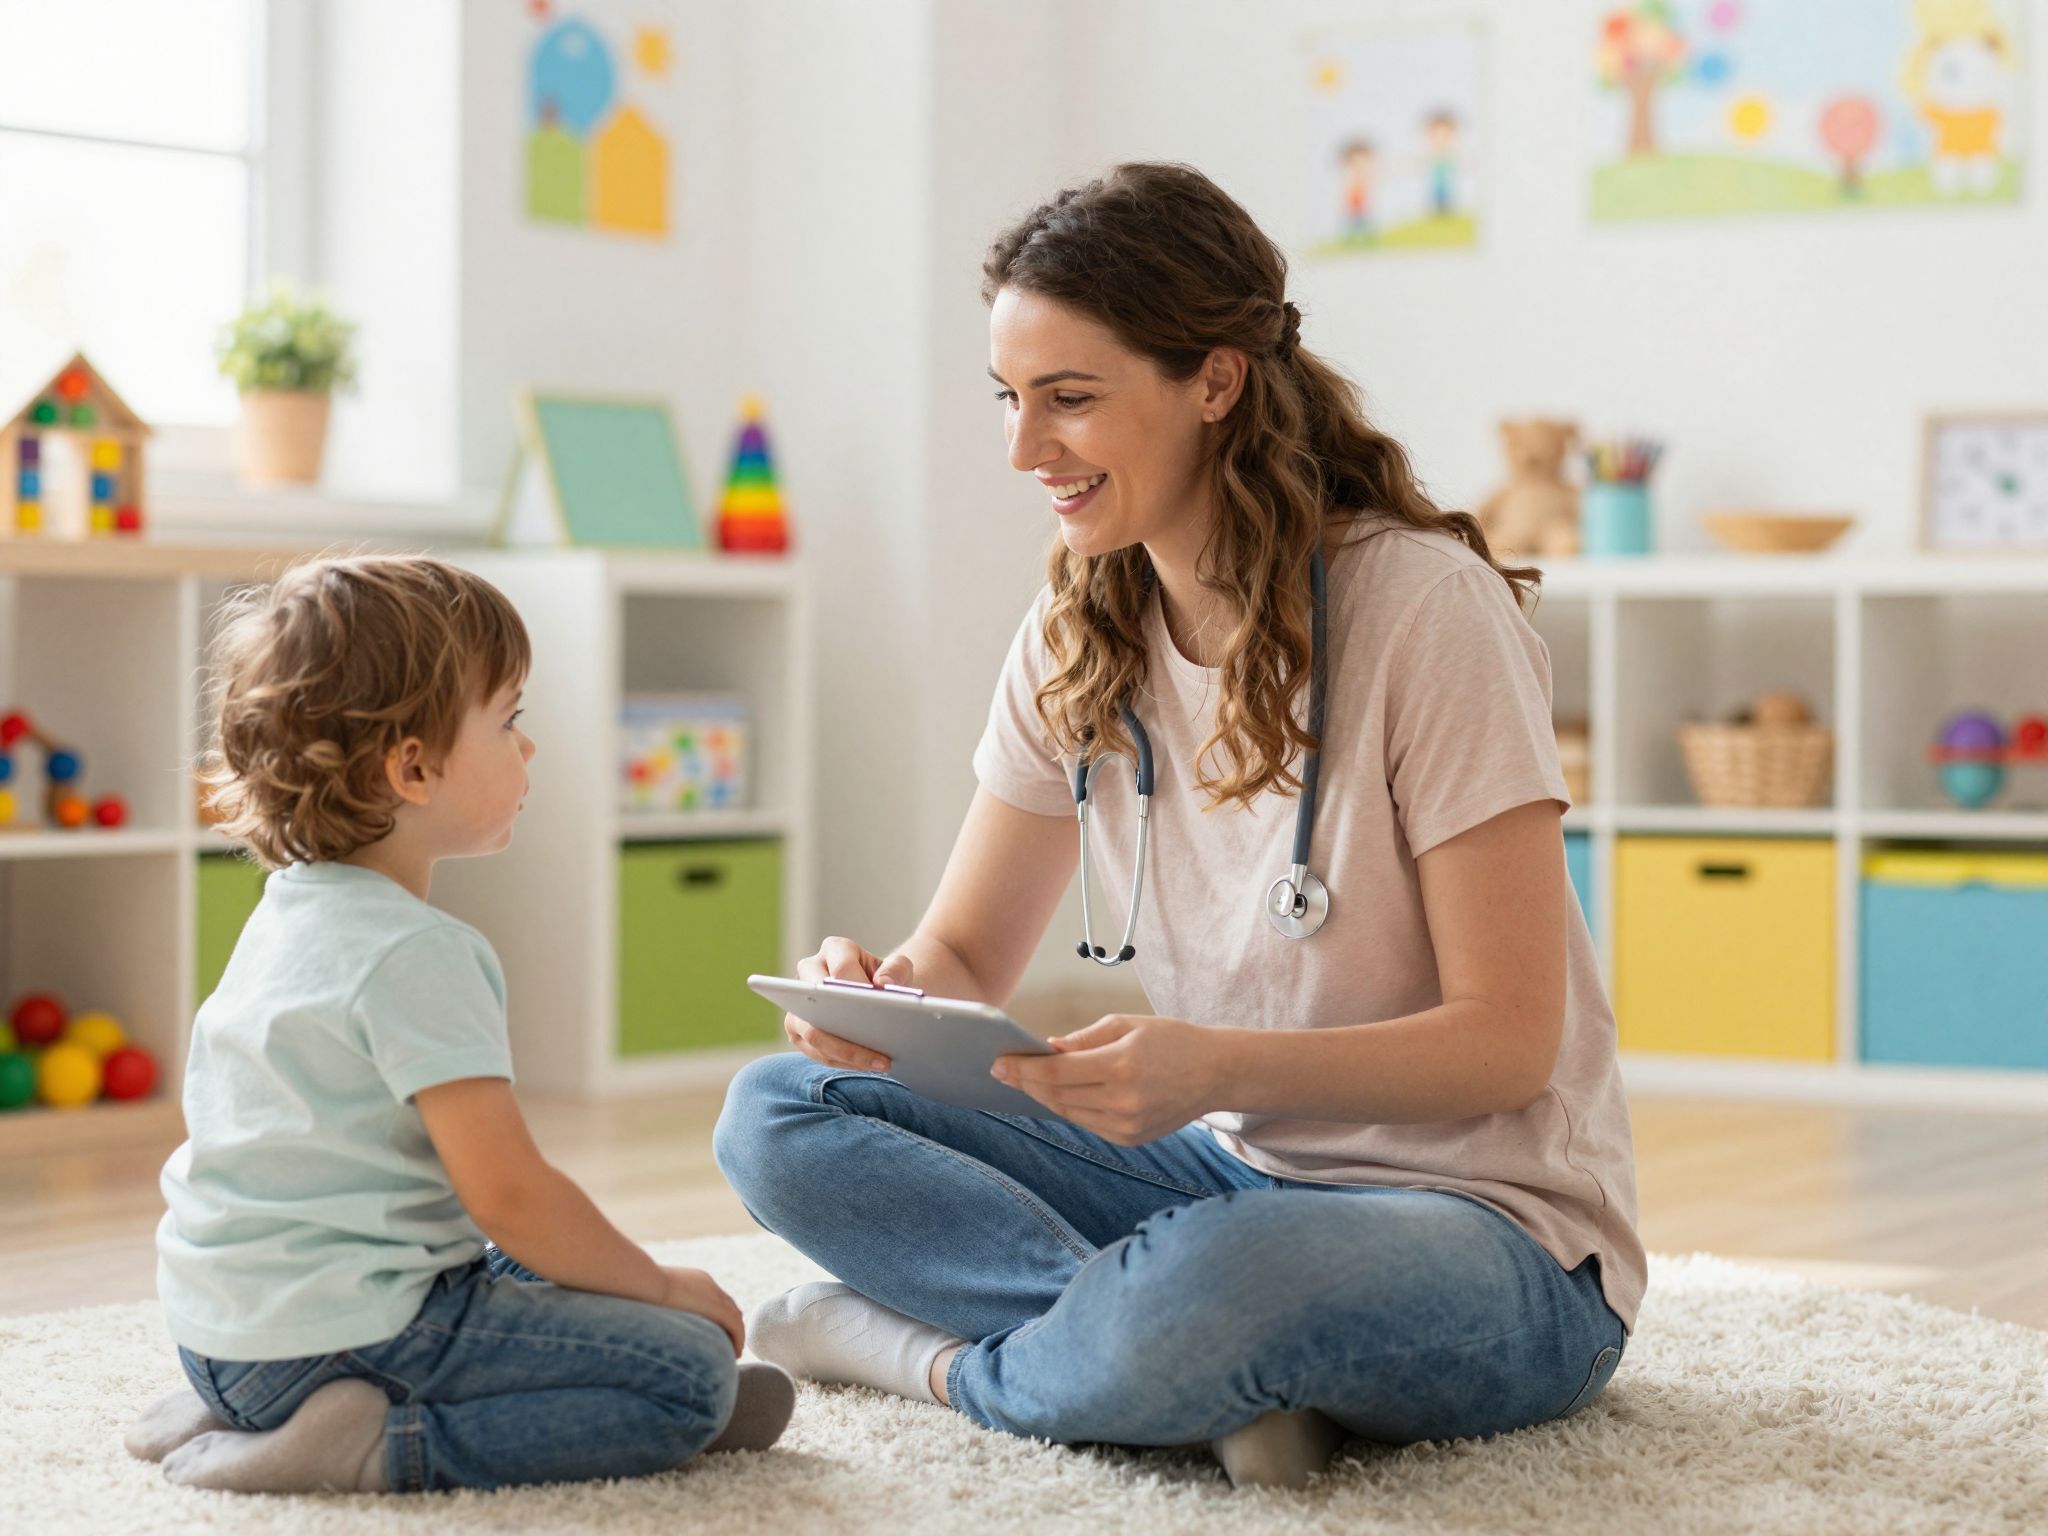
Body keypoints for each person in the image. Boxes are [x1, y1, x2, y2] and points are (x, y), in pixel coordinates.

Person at [715, 162, 1643, 1490]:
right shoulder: (1075, 630)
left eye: (1071, 398)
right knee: (781, 1108)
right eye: (1011, 399)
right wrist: (880, 1001)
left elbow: (1507, 1046)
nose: (1025, 449)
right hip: (1230, 1188)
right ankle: (1171, 1360)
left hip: (1497, 1238)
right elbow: (965, 957)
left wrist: (1212, 1069)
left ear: (1215, 381)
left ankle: (926, 1354)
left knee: (1223, 1283)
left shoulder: (1425, 611)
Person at [127, 556, 792, 1493]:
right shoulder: (417, 952)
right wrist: (660, 1287)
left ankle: (240, 1408)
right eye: (510, 720)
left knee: (524, 1269)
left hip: (224, 1336)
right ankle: (363, 1446)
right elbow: (511, 1196)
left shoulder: (285, 914)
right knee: (684, 1375)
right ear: (411, 766)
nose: (530, 749)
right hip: (340, 1341)